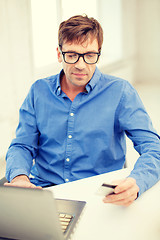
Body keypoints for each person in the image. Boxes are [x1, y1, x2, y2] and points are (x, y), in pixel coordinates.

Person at [5, 15, 160, 206]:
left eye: (89, 55)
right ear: (59, 54)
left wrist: (137, 182)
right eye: (71, 55)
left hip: (98, 195)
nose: (80, 65)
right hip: (44, 190)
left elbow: (154, 147)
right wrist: (20, 178)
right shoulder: (39, 91)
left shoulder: (120, 92)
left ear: (99, 53)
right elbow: (22, 145)